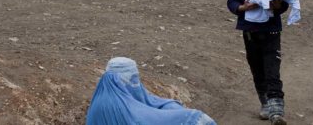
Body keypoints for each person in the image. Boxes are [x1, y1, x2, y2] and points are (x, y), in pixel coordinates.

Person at [227, 0, 289, 125]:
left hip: (270, 30)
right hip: (250, 31)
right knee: (257, 69)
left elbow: (284, 3)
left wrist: (274, 5)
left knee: (272, 70)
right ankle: (265, 104)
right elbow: (232, 1)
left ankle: (276, 110)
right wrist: (242, 8)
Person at [87, 57, 216, 125]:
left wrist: (170, 106)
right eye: (132, 79)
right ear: (118, 79)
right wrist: (191, 117)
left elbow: (149, 101)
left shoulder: (108, 92)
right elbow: (142, 119)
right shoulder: (111, 105)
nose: (136, 83)